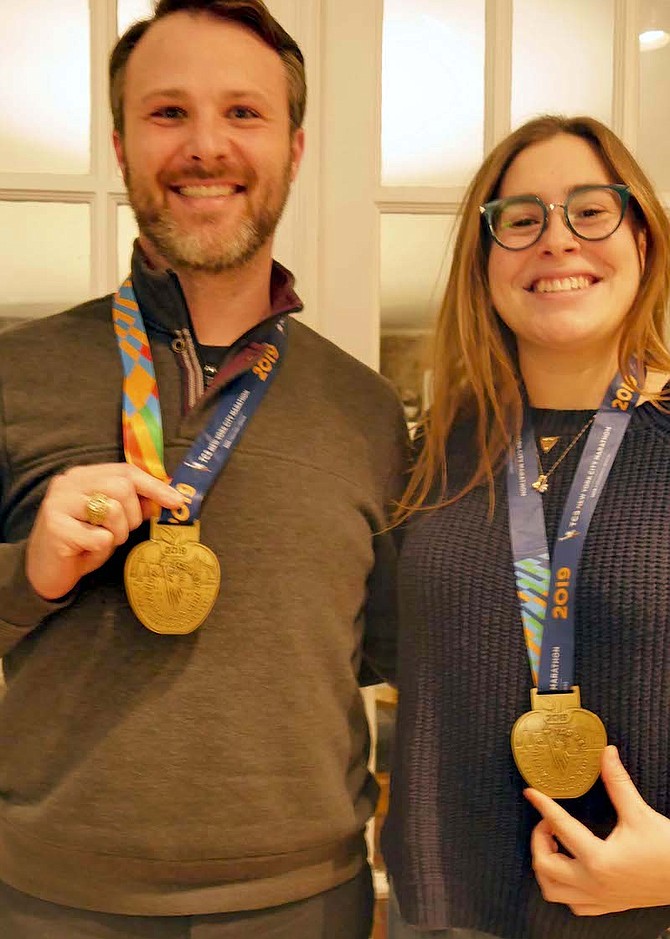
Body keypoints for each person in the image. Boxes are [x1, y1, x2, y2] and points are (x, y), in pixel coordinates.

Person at [0, 2, 407, 937]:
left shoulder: (369, 411)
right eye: (169, 113)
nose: (206, 146)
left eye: (245, 113)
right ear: (120, 143)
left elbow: (390, 649)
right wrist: (28, 572)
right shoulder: (16, 374)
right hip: (49, 902)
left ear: (295, 148)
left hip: (305, 902)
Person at [381, 114, 670, 939]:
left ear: (643, 237)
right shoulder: (440, 444)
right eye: (520, 219)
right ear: (485, 260)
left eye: (591, 210)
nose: (556, 241)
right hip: (438, 916)